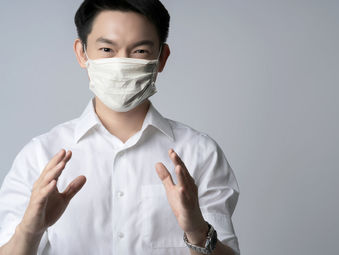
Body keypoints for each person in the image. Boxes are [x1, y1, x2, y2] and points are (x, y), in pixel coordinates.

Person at [0, 0, 240, 254]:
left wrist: (197, 230)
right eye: (106, 49)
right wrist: (30, 229)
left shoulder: (199, 153)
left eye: (139, 51)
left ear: (162, 58)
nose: (121, 63)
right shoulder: (40, 155)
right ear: (82, 53)